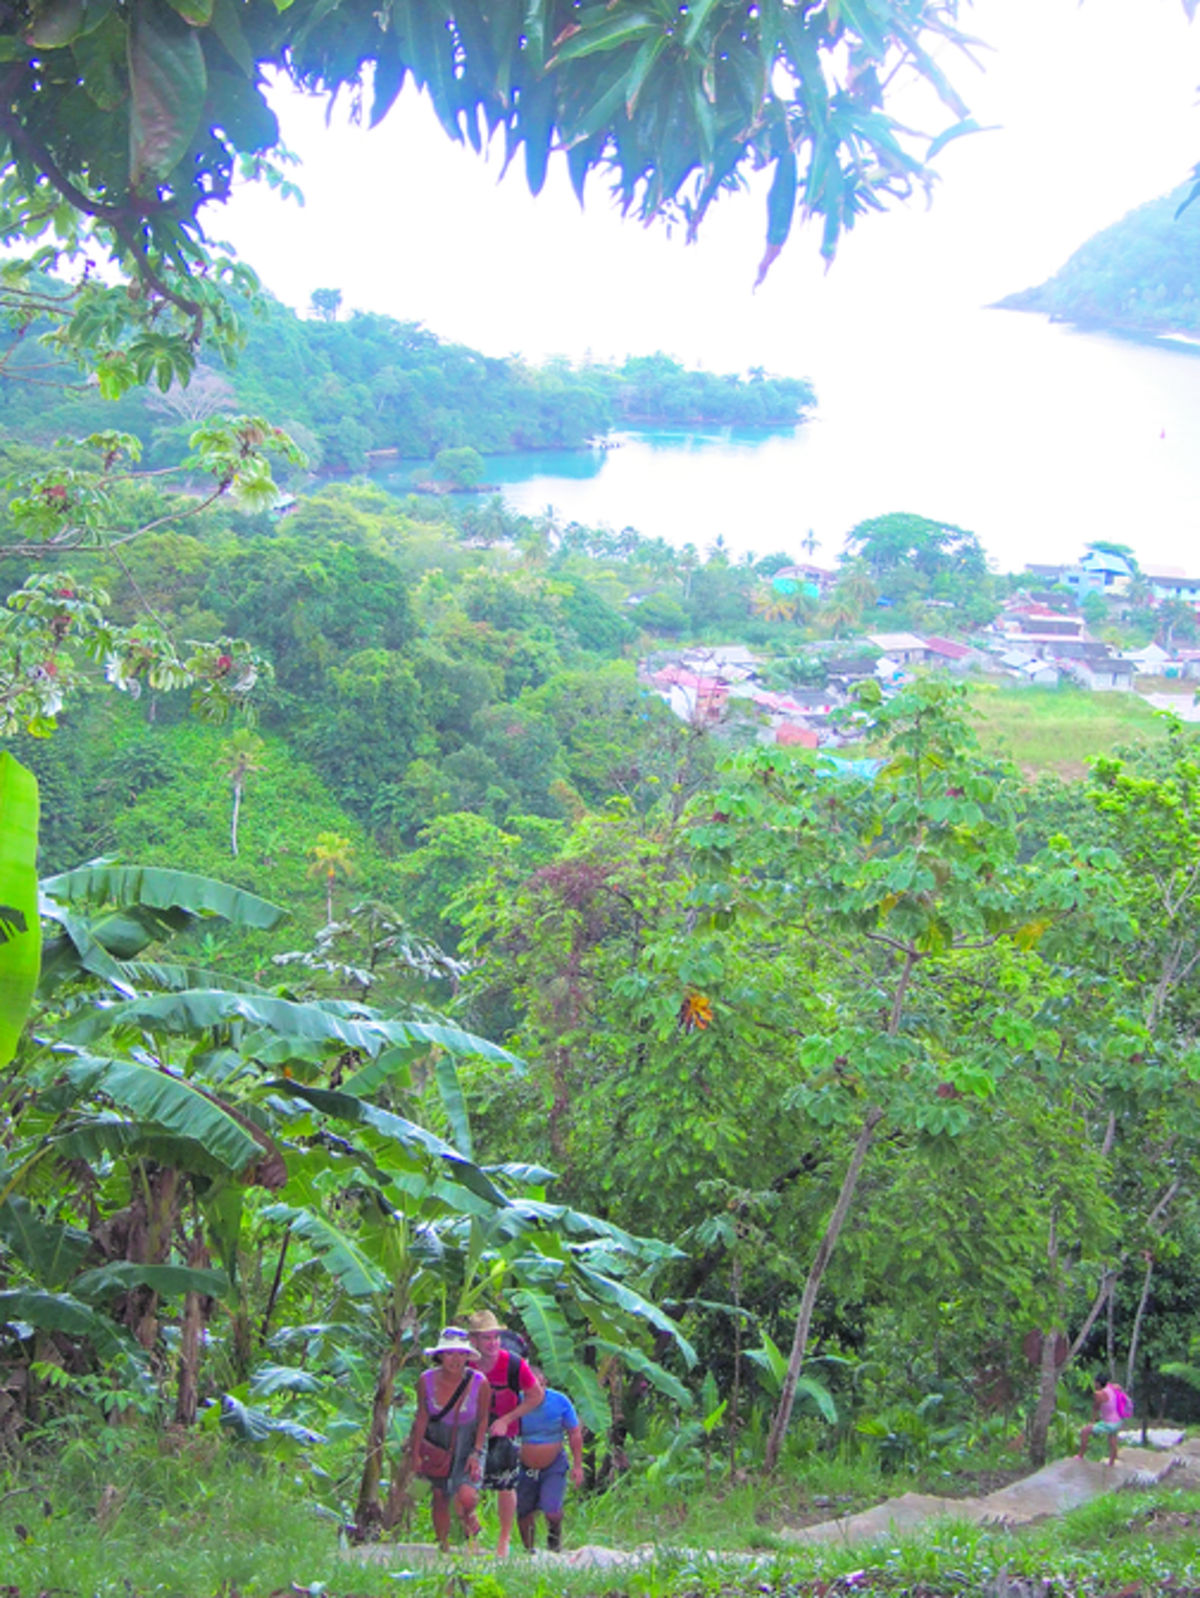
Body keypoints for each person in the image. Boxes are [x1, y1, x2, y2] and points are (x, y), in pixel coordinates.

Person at [466, 1310, 545, 1556]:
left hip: (506, 1432)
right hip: (470, 1431)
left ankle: (504, 1539)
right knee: (465, 1485)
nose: (493, 1343)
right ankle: (471, 1533)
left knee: (505, 1485)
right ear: (474, 1341)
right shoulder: (465, 1364)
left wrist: (507, 1419)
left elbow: (536, 1396)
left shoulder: (513, 1364)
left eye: (496, 1338)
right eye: (487, 1338)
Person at [408, 1327, 490, 1553]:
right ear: (441, 1355)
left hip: (469, 1442)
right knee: (440, 1494)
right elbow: (421, 1417)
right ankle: (443, 1545)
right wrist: (416, 1453)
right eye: (451, 1353)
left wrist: (476, 1452)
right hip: (438, 1443)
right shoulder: (426, 1380)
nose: (457, 1359)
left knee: (466, 1496)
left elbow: (483, 1420)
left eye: (462, 1354)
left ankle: (471, 1529)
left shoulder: (479, 1382)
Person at [516, 1372, 584, 1553]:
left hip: (553, 1464)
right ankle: (528, 1550)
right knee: (523, 1511)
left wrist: (577, 1466)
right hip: (524, 1465)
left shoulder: (560, 1402)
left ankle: (554, 1542)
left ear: (544, 1383)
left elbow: (574, 1432)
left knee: (552, 1509)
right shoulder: (516, 1402)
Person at [1076, 1372, 1125, 1466]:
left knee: (1085, 1431)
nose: (1094, 1384)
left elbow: (1095, 1409)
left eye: (1095, 1382)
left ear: (1098, 1383)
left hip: (1109, 1423)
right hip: (1118, 1421)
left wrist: (1092, 1422)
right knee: (1112, 1439)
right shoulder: (1112, 1387)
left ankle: (1080, 1455)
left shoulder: (1099, 1394)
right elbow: (1118, 1387)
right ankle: (1111, 1462)